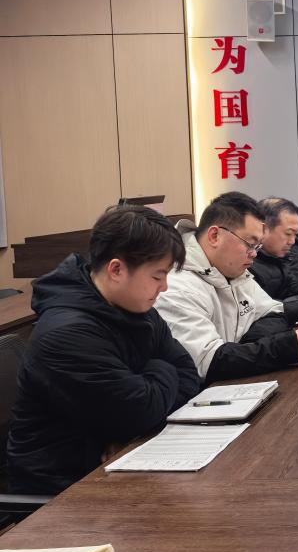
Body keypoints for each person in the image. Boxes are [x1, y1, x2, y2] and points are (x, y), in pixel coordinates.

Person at [6, 206, 201, 495]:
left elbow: (188, 375)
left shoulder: (136, 307)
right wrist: (161, 368)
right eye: (157, 276)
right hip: (62, 491)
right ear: (117, 269)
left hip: (119, 465)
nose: (164, 287)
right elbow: (140, 410)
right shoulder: (66, 334)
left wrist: (134, 422)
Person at [155, 192, 298, 381]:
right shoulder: (177, 287)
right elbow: (208, 363)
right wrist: (278, 349)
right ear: (214, 236)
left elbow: (274, 312)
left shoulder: (233, 271)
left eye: (257, 247)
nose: (254, 254)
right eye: (250, 244)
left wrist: (247, 345)